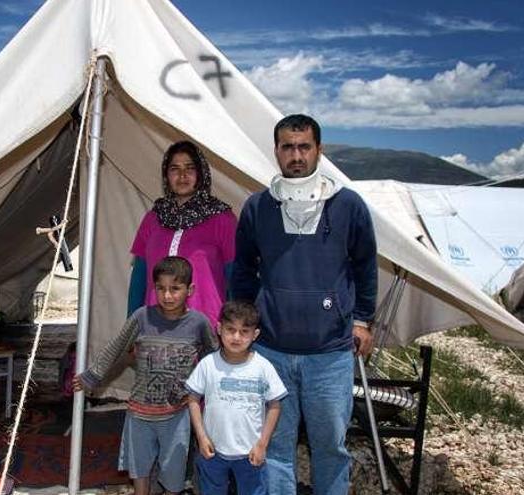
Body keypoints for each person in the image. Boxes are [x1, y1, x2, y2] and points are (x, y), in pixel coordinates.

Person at [230, 114, 377, 494]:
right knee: (275, 447)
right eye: (288, 147)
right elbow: (244, 272)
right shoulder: (257, 207)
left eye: (304, 147)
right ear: (276, 151)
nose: (296, 156)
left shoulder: (348, 206)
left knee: (330, 446)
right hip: (272, 350)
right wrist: (241, 331)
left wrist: (362, 320)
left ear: (318, 150)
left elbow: (365, 266)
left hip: (329, 353)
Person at [74, 256, 217, 495]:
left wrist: (220, 390)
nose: (167, 296)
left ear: (190, 289)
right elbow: (117, 346)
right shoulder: (142, 317)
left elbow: (213, 360)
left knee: (174, 469)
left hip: (177, 414)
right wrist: (93, 375)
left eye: (175, 289)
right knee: (139, 467)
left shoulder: (199, 323)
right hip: (140, 413)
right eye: (161, 288)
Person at [129, 140, 237, 328]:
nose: (182, 176)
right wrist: (130, 326)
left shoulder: (222, 218)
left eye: (190, 168)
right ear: (166, 175)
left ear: (201, 173)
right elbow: (139, 278)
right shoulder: (153, 218)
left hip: (205, 328)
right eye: (174, 169)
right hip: (155, 328)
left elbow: (235, 278)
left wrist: (233, 326)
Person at [186, 300, 286, 495]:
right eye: (231, 329)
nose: (236, 337)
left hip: (250, 453)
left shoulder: (263, 367)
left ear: (255, 334)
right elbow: (192, 399)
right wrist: (201, 436)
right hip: (212, 451)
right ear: (219, 328)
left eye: (244, 331)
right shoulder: (208, 365)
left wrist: (262, 444)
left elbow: (275, 404)